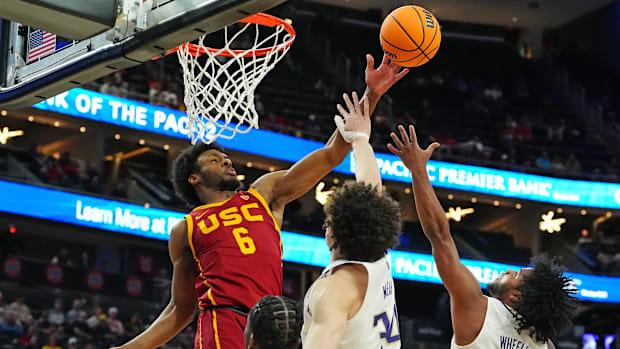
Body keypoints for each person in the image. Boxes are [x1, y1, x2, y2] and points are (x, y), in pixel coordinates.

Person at [112, 54, 408, 349]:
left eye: (226, 157)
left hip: (273, 329)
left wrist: (373, 94)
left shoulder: (263, 194)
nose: (227, 161)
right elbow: (180, 310)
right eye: (215, 160)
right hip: (223, 325)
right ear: (194, 178)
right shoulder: (185, 230)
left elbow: (331, 154)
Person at [388, 124, 578, 349]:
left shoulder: (477, 308)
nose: (508, 270)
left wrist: (418, 170)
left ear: (516, 297)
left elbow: (439, 235)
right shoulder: (545, 345)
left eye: (515, 274)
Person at [301, 93, 402, 348]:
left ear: (331, 235)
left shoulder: (334, 291)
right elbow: (371, 189)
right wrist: (359, 140)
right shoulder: (380, 260)